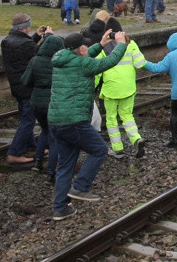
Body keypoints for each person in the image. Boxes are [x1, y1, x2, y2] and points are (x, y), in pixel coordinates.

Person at [49, 29, 129, 221]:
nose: (86, 47)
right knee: (100, 150)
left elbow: (85, 57)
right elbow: (108, 62)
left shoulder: (62, 58)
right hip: (74, 120)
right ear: (79, 49)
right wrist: (121, 44)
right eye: (84, 45)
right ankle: (81, 187)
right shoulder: (82, 63)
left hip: (56, 121)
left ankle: (60, 208)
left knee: (66, 165)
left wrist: (100, 44)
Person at [1, 12, 46, 164]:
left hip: (16, 85)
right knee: (28, 120)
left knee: (25, 117)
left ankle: (31, 148)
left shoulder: (6, 41)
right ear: (25, 27)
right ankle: (14, 153)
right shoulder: (26, 44)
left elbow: (24, 50)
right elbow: (39, 53)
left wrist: (36, 36)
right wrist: (46, 38)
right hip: (28, 86)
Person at [96, 30, 147, 159]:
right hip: (128, 88)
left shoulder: (103, 49)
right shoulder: (131, 44)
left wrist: (91, 87)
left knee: (111, 119)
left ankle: (118, 149)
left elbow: (96, 69)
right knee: (127, 115)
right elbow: (140, 64)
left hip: (111, 89)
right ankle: (136, 139)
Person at [20, 28, 60, 180]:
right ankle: (51, 171)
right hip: (53, 102)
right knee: (54, 136)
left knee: (44, 130)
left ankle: (37, 162)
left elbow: (25, 80)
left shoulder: (35, 60)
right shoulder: (58, 62)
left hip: (37, 102)